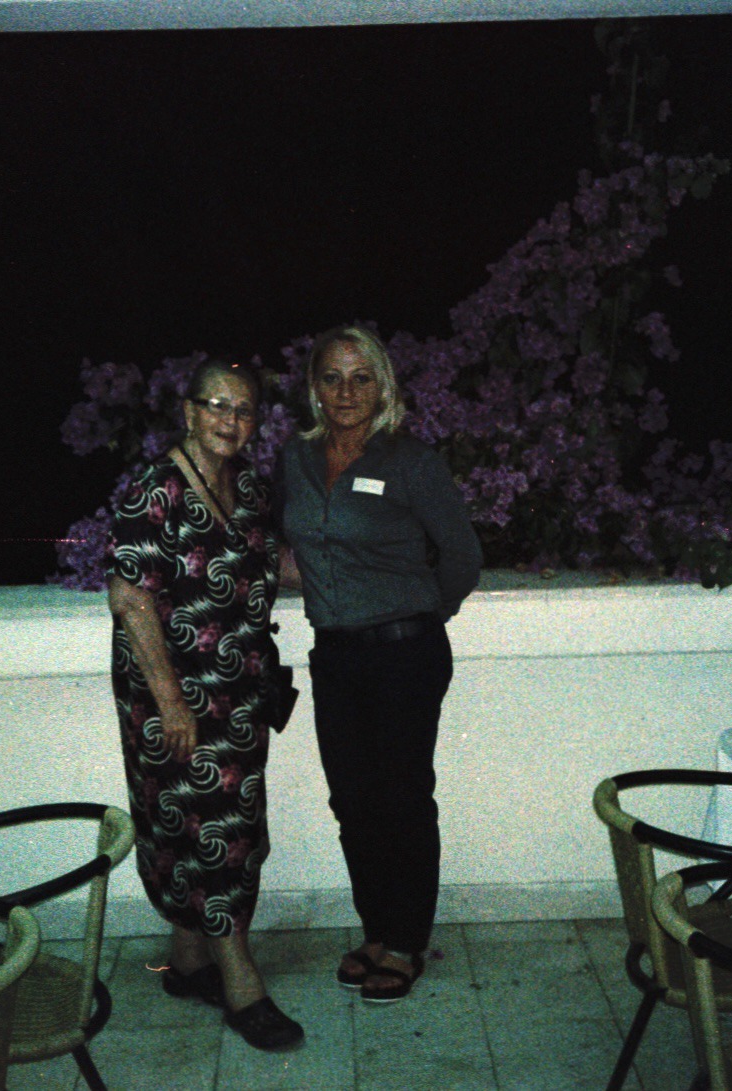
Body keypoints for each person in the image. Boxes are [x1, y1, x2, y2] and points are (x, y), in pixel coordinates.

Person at [277, 325, 483, 1003]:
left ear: (382, 386)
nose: (345, 391)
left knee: (400, 798)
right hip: (334, 654)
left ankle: (405, 940)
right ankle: (374, 928)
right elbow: (296, 544)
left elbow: (461, 555)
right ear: (314, 386)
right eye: (332, 377)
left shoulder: (410, 460)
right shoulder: (295, 461)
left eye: (360, 377)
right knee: (352, 801)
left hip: (404, 654)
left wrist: (423, 615)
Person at [106, 358, 304, 1051]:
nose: (230, 419)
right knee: (205, 827)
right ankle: (239, 981)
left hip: (240, 692)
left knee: (227, 819)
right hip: (174, 697)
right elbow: (130, 598)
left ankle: (189, 958)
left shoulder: (246, 484)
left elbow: (267, 561)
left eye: (243, 409)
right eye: (216, 405)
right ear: (187, 412)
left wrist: (372, 558)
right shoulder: (152, 491)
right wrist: (171, 705)